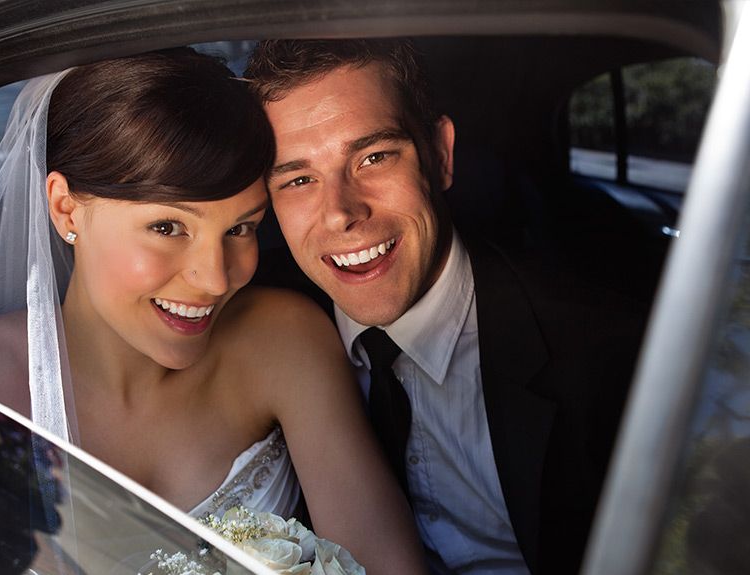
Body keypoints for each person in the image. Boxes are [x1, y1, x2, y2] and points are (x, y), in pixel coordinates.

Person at [0, 49, 426, 573]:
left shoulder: (283, 340)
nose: (216, 278)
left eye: (240, 229)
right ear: (65, 208)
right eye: (168, 228)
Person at [246, 39, 645, 575]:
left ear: (440, 155)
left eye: (374, 157)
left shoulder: (605, 354)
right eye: (298, 180)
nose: (340, 213)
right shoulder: (255, 328)